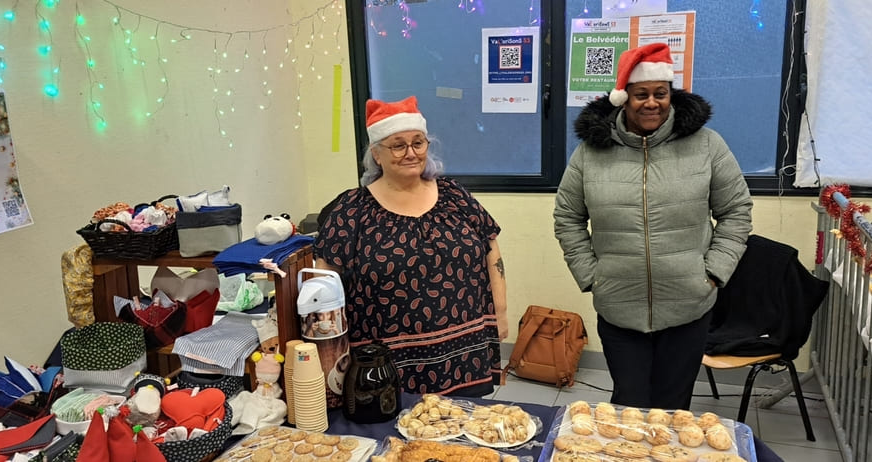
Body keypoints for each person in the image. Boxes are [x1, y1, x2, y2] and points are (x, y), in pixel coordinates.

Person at [553, 43, 753, 410]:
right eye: (641, 94)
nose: (651, 103)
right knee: (628, 405)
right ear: (623, 98)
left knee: (673, 407)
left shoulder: (706, 145)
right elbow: (568, 216)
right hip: (618, 305)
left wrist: (712, 272)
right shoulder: (591, 152)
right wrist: (592, 274)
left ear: (671, 95)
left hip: (689, 304)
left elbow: (736, 211)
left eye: (660, 94)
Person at [315, 96, 508, 397]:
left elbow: (490, 248)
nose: (411, 153)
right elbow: (323, 279)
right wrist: (330, 347)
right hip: (385, 362)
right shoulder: (353, 209)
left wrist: (501, 313)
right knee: (400, 438)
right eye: (398, 145)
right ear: (376, 155)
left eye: (418, 143)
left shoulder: (454, 195)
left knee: (462, 433)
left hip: (463, 352)